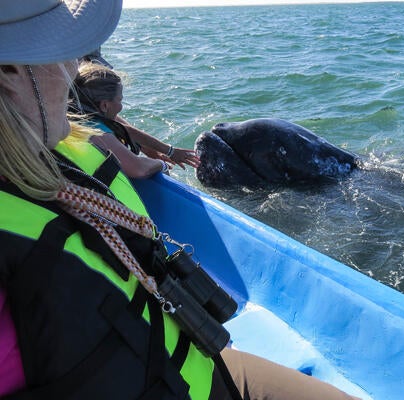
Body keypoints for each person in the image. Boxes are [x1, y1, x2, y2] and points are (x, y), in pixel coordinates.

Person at [0, 1, 360, 399]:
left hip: (197, 367)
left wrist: (165, 153)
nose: (74, 71)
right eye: (59, 52)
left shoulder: (64, 147)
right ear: (11, 72)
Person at [70, 61, 200, 178]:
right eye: (119, 100)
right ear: (104, 105)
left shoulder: (73, 111)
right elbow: (138, 169)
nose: (121, 106)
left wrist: (165, 151)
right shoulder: (96, 131)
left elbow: (123, 128)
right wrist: (161, 165)